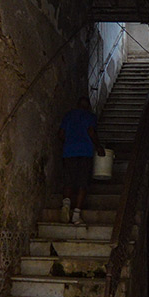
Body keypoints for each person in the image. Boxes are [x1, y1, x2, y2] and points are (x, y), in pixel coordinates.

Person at [59, 96, 104, 225]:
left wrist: (69, 143)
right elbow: (91, 131)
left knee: (68, 181)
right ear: (88, 106)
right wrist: (99, 146)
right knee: (82, 183)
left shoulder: (68, 116)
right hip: (85, 152)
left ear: (77, 105)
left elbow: (60, 134)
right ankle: (76, 215)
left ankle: (66, 204)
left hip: (69, 152)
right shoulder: (90, 116)